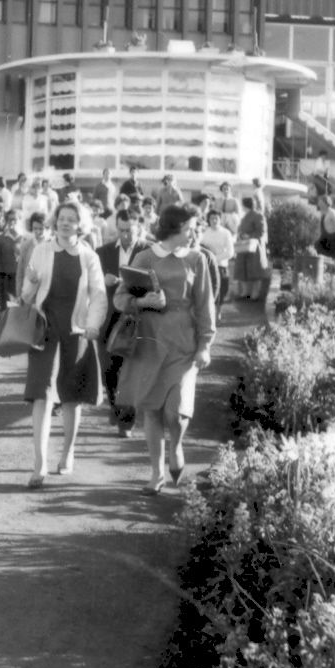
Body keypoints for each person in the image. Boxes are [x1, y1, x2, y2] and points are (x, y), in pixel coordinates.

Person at [113, 204, 215, 495]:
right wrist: (143, 302)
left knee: (175, 411)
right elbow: (120, 299)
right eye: (190, 228)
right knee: (151, 409)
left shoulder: (197, 259)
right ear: (174, 228)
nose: (194, 233)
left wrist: (205, 345)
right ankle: (156, 473)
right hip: (149, 342)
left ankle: (176, 446)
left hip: (183, 344)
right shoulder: (145, 257)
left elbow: (205, 305)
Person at [19, 201, 108, 487]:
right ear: (55, 221)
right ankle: (39, 463)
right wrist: (31, 282)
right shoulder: (42, 250)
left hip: (76, 332)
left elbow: (98, 294)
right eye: (62, 218)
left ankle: (68, 452)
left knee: (71, 397)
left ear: (80, 225)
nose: (65, 223)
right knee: (41, 395)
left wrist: (93, 324)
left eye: (72, 219)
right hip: (45, 331)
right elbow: (26, 296)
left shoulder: (88, 256)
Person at [97, 206, 149, 434]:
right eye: (121, 230)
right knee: (109, 370)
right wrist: (103, 279)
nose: (125, 235)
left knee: (131, 371)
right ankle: (116, 407)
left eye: (130, 230)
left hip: (138, 318)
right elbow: (90, 282)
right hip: (110, 318)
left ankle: (126, 420)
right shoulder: (103, 252)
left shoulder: (149, 251)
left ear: (140, 228)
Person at [198, 208, 235, 321]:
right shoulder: (204, 232)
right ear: (208, 220)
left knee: (221, 289)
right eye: (212, 218)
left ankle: (219, 309)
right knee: (207, 289)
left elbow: (230, 252)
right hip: (206, 265)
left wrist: (215, 259)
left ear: (220, 219)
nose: (214, 221)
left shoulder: (226, 233)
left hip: (221, 265)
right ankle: (208, 310)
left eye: (216, 218)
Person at [233, 196, 271, 302]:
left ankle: (255, 294)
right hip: (244, 246)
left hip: (255, 247)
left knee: (255, 271)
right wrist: (240, 235)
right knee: (243, 270)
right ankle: (245, 293)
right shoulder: (244, 216)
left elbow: (262, 231)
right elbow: (240, 229)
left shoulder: (258, 215)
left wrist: (250, 236)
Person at [313, 192, 335, 281]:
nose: (318, 203)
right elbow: (320, 228)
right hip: (325, 237)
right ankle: (322, 273)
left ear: (325, 202)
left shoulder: (332, 212)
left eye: (320, 201)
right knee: (316, 250)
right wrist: (317, 238)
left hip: (334, 238)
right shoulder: (322, 213)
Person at [16, 210, 48, 290]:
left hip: (45, 288)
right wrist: (19, 292)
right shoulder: (26, 245)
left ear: (46, 228)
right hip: (28, 289)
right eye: (35, 228)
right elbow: (20, 271)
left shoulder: (51, 245)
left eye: (41, 229)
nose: (38, 232)